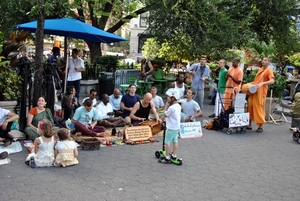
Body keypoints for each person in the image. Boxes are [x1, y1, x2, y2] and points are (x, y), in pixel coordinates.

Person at [247, 57, 275, 132]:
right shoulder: (260, 69)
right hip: (254, 91)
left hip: (261, 93)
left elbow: (272, 81)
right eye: (263, 60)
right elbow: (257, 81)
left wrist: (263, 83)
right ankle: (249, 125)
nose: (263, 61)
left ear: (269, 63)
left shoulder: (269, 71)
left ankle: (261, 126)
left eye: (265, 60)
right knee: (250, 107)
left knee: (259, 109)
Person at [158, 88, 181, 163]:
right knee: (175, 141)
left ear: (173, 97)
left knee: (167, 142)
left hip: (171, 128)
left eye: (168, 97)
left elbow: (165, 114)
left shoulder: (171, 107)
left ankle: (167, 157)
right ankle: (174, 155)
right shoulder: (178, 106)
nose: (167, 98)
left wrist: (166, 105)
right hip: (176, 127)